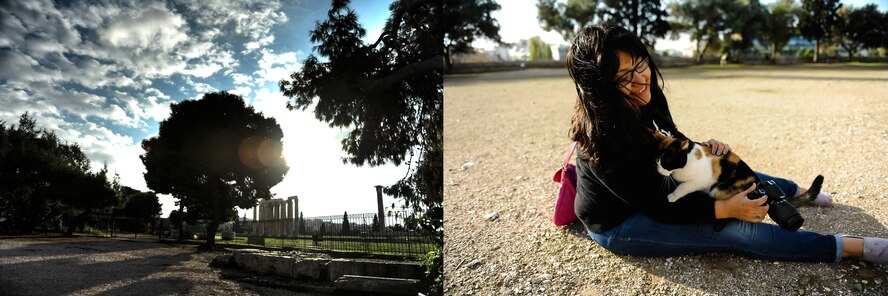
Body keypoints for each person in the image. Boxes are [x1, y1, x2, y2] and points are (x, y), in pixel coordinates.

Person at [567, 24, 887, 264]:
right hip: (623, 220)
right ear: (600, 89)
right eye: (624, 78)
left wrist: (703, 147)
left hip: (660, 182)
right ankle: (849, 246)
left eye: (640, 64)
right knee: (738, 230)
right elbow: (658, 203)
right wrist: (724, 208)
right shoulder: (603, 139)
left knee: (742, 174)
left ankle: (796, 191)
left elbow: (672, 138)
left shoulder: (646, 92)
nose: (640, 80)